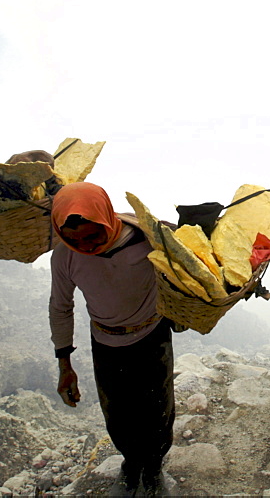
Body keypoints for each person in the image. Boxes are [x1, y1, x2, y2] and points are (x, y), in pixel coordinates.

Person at [48, 182, 174, 497]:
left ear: (107, 219)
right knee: (118, 414)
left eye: (92, 236)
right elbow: (60, 307)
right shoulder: (65, 256)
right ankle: (131, 467)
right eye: (74, 239)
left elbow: (192, 255)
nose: (85, 246)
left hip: (152, 336)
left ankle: (154, 470)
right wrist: (65, 363)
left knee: (158, 410)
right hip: (105, 343)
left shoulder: (146, 237)